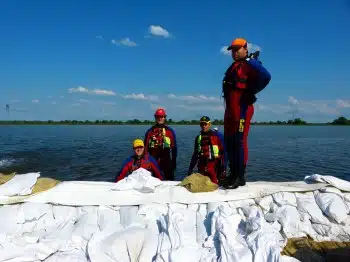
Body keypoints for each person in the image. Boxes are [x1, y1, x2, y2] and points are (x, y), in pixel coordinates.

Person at [221, 37, 271, 189]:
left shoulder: (250, 64)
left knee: (239, 141)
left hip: (242, 108)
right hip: (230, 110)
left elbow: (266, 76)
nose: (234, 52)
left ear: (245, 49)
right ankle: (233, 173)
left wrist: (252, 91)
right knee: (229, 142)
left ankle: (240, 177)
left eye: (237, 49)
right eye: (232, 50)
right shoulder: (234, 67)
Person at [187, 116, 227, 184]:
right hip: (202, 168)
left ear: (209, 124)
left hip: (214, 168)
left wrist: (224, 169)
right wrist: (190, 168)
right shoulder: (198, 138)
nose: (203, 126)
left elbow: (224, 153)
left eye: (205, 124)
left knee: (215, 186)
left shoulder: (217, 137)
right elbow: (195, 154)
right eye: (202, 124)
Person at [144, 108, 177, 180]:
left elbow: (174, 148)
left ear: (164, 117)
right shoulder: (150, 132)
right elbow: (145, 149)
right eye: (158, 117)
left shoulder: (170, 132)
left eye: (161, 117)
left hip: (167, 162)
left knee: (170, 181)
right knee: (154, 181)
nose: (160, 118)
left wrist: (174, 162)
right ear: (155, 117)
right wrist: (146, 162)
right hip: (153, 162)